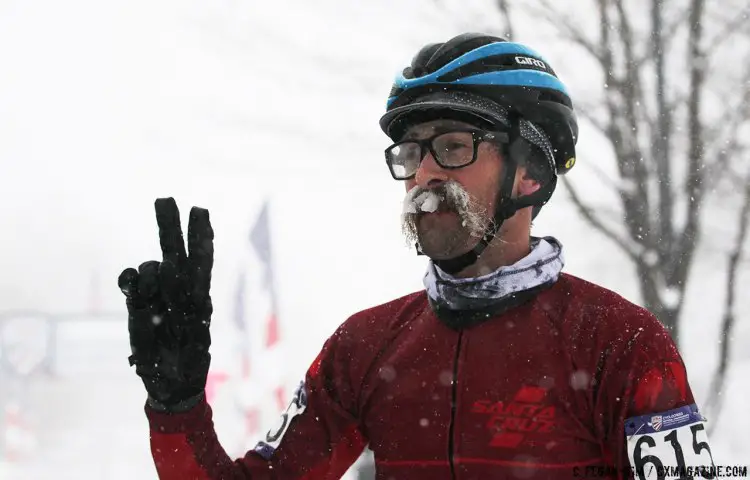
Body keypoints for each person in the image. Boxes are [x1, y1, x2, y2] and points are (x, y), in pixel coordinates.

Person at [118, 33, 716, 479]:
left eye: (453, 146)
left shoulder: (620, 344)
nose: (423, 175)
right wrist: (178, 406)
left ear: (530, 172)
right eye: (410, 153)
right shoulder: (364, 347)